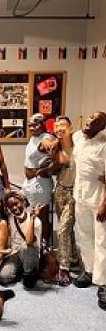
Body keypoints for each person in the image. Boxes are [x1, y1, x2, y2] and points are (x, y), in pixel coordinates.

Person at [72, 111, 106, 311]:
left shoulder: (104, 144)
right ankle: (90, 271)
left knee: (102, 241)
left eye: (97, 121)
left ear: (102, 127)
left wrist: (104, 204)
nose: (91, 121)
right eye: (91, 117)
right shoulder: (78, 138)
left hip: (98, 200)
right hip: (80, 197)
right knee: (84, 236)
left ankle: (103, 284)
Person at [49, 116, 79, 286]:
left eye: (63, 126)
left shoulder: (79, 146)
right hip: (60, 190)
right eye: (56, 126)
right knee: (67, 228)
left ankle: (64, 267)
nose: (59, 128)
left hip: (76, 192)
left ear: (70, 128)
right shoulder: (55, 147)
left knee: (62, 229)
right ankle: (73, 257)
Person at [22, 113, 55, 245]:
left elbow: (54, 151)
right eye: (30, 125)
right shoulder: (33, 138)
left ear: (43, 124)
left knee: (42, 217)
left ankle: (44, 247)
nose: (32, 128)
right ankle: (35, 245)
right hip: (31, 183)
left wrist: (46, 169)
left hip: (40, 185)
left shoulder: (45, 138)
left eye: (36, 124)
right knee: (33, 217)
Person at [0, 191, 42, 289]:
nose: (14, 208)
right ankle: (20, 270)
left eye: (16, 204)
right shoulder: (11, 218)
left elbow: (30, 241)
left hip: (30, 252)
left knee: (25, 246)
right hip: (15, 253)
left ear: (23, 202)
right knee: (4, 277)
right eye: (10, 206)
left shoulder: (36, 222)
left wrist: (32, 218)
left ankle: (29, 272)